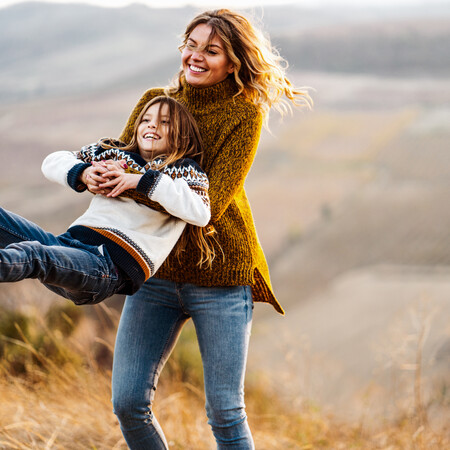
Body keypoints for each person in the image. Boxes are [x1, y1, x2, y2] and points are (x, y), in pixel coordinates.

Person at [83, 9, 312, 449]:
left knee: (225, 413)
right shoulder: (156, 100)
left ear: (234, 61)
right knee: (129, 403)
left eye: (212, 50)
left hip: (222, 278)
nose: (196, 56)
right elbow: (126, 158)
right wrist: (94, 172)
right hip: (155, 271)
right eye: (191, 45)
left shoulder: (243, 115)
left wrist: (135, 181)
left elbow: (210, 202)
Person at [0, 96, 210, 306]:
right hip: (67, 247)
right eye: (145, 120)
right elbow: (52, 161)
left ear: (182, 135)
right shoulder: (113, 153)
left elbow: (200, 213)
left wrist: (140, 181)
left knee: (33, 254)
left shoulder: (182, 170)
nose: (152, 124)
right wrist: (84, 173)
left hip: (104, 267)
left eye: (165, 122)